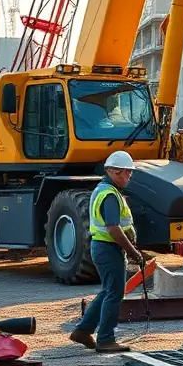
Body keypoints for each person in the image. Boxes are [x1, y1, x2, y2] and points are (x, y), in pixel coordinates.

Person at [69, 150, 143, 354]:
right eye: (127, 172)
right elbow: (113, 228)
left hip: (103, 248)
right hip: (109, 249)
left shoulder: (104, 190)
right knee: (114, 294)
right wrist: (132, 251)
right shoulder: (109, 195)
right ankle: (106, 339)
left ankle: (83, 331)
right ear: (113, 171)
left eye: (130, 172)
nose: (129, 176)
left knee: (107, 291)